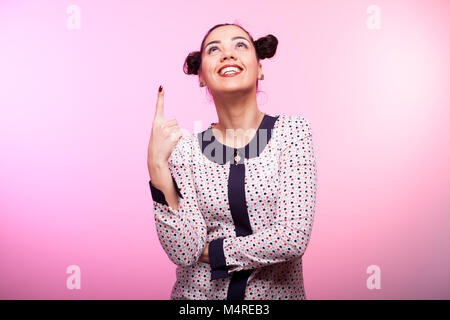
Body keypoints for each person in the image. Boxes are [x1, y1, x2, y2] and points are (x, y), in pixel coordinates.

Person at [146, 23, 317, 300]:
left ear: (259, 67)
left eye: (240, 45)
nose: (228, 54)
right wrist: (156, 165)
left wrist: (212, 252)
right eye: (214, 49)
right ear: (201, 75)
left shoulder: (292, 132)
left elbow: (292, 237)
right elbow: (182, 250)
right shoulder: (185, 150)